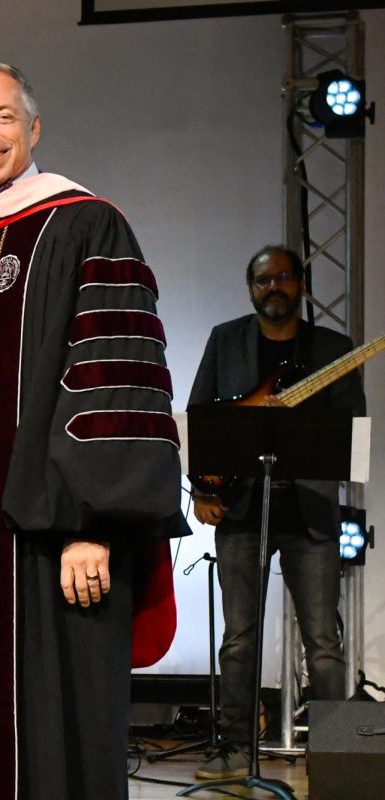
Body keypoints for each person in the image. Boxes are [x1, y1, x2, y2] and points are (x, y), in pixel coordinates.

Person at [0, 60, 184, 800]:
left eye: (3, 117)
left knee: (54, 721)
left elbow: (116, 383)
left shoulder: (88, 225)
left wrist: (92, 523)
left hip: (51, 541)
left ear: (34, 127)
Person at [188, 245, 365, 779]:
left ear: (302, 287)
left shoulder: (333, 348)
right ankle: (237, 748)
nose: (274, 287)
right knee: (239, 639)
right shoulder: (226, 339)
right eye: (263, 279)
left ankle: (333, 759)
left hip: (310, 512)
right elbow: (201, 419)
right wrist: (201, 490)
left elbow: (351, 431)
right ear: (250, 289)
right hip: (242, 509)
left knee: (324, 644)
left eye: (284, 277)